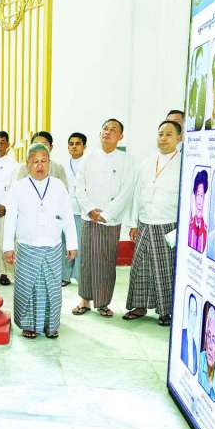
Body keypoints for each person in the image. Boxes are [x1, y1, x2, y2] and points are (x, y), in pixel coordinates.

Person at [4, 143, 77, 338]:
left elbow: (68, 217)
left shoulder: (58, 186)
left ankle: (50, 326)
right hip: (27, 246)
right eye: (35, 161)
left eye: (44, 161)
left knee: (51, 289)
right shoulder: (18, 187)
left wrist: (72, 244)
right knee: (28, 288)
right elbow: (10, 219)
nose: (40, 165)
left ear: (49, 162)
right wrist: (8, 247)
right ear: (27, 164)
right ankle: (28, 325)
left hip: (53, 246)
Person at [73, 118, 134, 318]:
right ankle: (84, 300)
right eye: (105, 129)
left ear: (120, 136)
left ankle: (103, 303)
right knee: (87, 260)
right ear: (100, 133)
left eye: (113, 129)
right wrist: (90, 210)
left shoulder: (126, 160)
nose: (107, 132)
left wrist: (106, 214)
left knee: (105, 262)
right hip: (89, 217)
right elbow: (79, 187)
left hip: (110, 220)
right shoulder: (88, 158)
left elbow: (126, 191)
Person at [123, 120, 182, 326]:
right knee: (139, 266)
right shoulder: (147, 162)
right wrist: (133, 223)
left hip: (168, 223)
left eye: (168, 134)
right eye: (160, 134)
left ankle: (165, 312)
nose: (163, 138)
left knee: (163, 269)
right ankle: (139, 306)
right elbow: (137, 194)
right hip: (144, 222)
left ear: (179, 138)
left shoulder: (184, 164)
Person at [62, 132, 87, 285]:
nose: (74, 146)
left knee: (80, 244)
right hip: (66, 210)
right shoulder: (63, 166)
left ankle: (79, 276)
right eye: (71, 144)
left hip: (82, 211)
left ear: (84, 146)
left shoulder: (89, 164)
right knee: (65, 244)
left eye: (78, 143)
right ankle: (65, 276)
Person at [0, 131, 17, 286]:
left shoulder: (13, 164)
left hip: (5, 209)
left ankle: (5, 273)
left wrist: (5, 206)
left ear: (7, 145)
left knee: (4, 240)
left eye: (2, 142)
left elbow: (13, 188)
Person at [198, 304, 215, 402]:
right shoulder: (198, 360)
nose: (211, 347)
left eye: (214, 340)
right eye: (208, 336)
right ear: (205, 340)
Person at [188, 170, 208, 253]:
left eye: (202, 195)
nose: (199, 200)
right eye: (198, 195)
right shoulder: (189, 225)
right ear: (195, 195)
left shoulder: (206, 229)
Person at [187, 47, 206, 131]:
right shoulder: (192, 88)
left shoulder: (205, 87)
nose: (199, 71)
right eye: (197, 67)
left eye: (201, 67)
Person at [181, 293, 198, 375]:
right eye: (190, 312)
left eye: (194, 314)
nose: (192, 318)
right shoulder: (181, 336)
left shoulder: (195, 344)